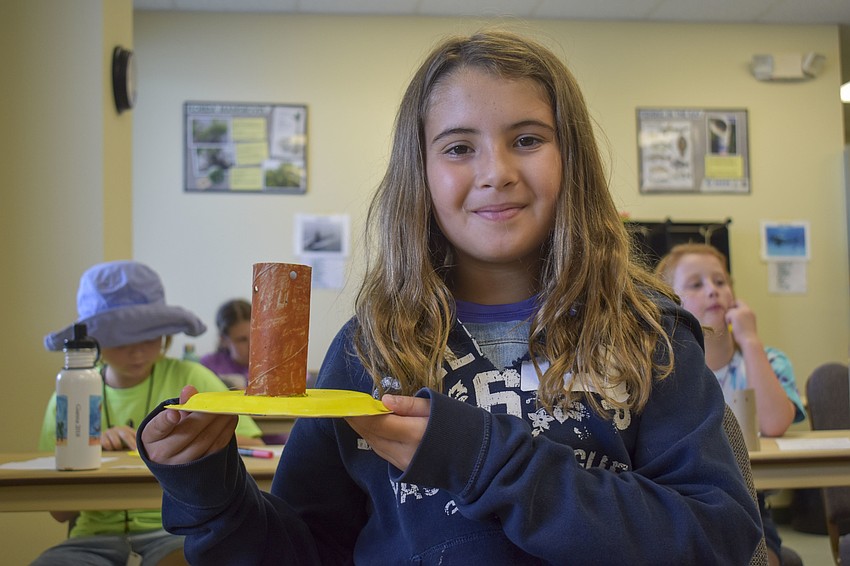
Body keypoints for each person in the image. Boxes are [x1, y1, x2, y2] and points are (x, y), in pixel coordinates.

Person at [137, 30, 763, 564]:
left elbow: (719, 537)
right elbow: (307, 549)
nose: (496, 171)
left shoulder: (648, 334)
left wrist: (485, 460)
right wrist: (210, 493)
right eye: (460, 148)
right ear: (422, 174)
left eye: (527, 139)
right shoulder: (369, 349)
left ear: (572, 158)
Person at [34, 260, 265, 566]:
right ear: (94, 340)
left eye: (148, 337)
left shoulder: (194, 377)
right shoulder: (69, 396)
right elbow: (59, 511)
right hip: (90, 540)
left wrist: (195, 443)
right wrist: (85, 447)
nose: (138, 351)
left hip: (175, 533)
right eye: (120, 339)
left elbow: (259, 450)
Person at [655, 243, 806, 566]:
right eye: (696, 284)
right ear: (669, 301)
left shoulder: (768, 361)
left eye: (720, 282)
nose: (713, 291)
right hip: (677, 508)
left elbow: (775, 423)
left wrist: (751, 341)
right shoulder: (660, 370)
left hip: (751, 510)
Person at [200, 298, 251, 389]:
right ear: (223, 340)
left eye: (256, 337)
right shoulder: (208, 366)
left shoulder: (269, 368)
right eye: (242, 340)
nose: (251, 345)